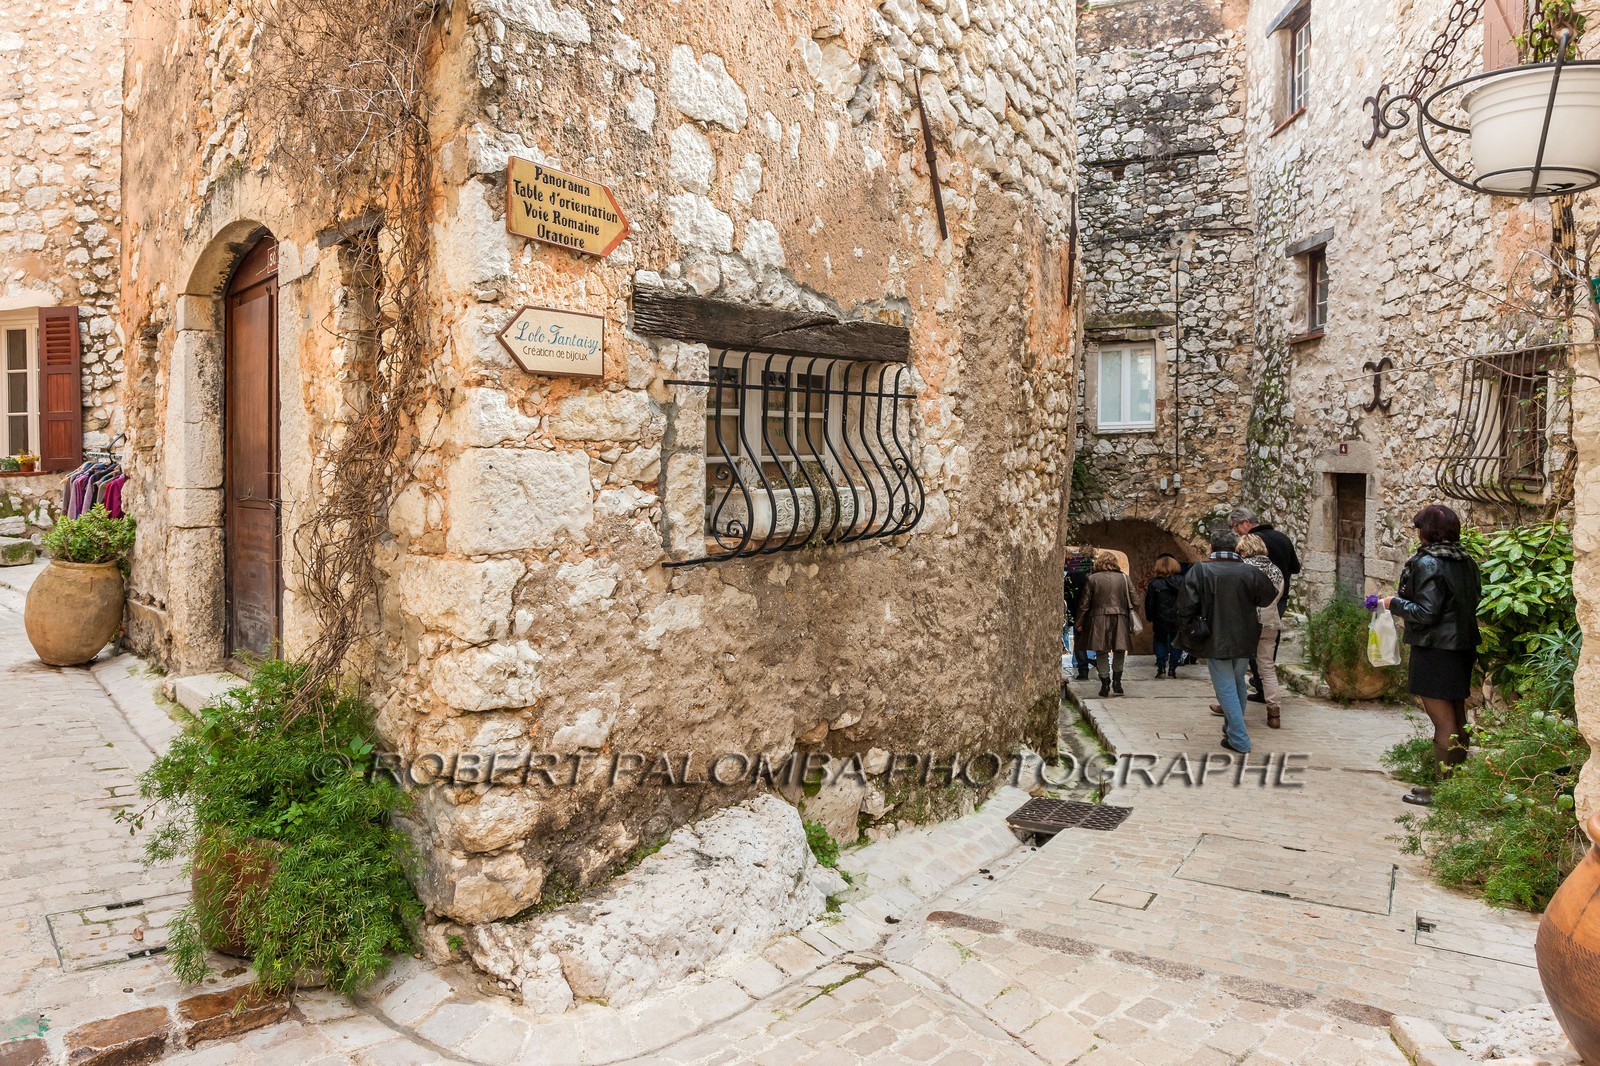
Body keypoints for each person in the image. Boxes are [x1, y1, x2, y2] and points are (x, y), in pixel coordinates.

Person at [1381, 504, 1482, 806]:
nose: (1417, 533)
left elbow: (1426, 612)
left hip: (1436, 648)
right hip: (1462, 646)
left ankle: (1443, 790)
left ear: (1427, 532)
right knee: (1457, 713)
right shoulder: (1465, 560)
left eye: (1419, 528)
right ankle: (1456, 786)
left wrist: (1392, 603)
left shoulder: (1428, 563)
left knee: (1443, 720)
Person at [1179, 530, 1279, 753]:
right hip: (1244, 635)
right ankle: (1231, 730)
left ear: (1212, 549)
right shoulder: (1249, 571)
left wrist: (1189, 628)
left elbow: (1186, 605)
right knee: (1237, 683)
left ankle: (1240, 738)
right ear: (1235, 549)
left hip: (1215, 636)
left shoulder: (1200, 571)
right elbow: (1267, 596)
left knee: (1225, 687)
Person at [1230, 507, 1302, 702]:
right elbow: (1295, 567)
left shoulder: (1252, 546)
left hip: (1255, 602)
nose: (1235, 531)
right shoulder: (1282, 538)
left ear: (1245, 523)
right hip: (1280, 597)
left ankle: (1257, 687)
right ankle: (1269, 694)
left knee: (1252, 644)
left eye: (1235, 526)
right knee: (1269, 644)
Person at [1236, 534, 1284, 728]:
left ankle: (1233, 708)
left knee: (1237, 667)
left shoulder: (1244, 569)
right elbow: (1277, 596)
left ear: (1246, 550)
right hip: (1270, 621)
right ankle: (1274, 712)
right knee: (1267, 667)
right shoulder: (1276, 570)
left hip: (1247, 623)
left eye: (1240, 550)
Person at [1077, 549, 1135, 698]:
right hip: (1120, 617)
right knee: (1119, 650)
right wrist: (1130, 615)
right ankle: (1117, 683)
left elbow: (1085, 604)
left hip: (1098, 619)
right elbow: (1135, 600)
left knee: (1101, 651)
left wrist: (1080, 622)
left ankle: (1105, 683)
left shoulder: (1092, 579)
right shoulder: (1124, 578)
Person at [1144, 555, 1184, 679]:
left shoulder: (1155, 583)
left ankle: (1161, 666)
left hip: (1160, 617)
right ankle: (1172, 667)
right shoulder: (1182, 581)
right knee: (1177, 642)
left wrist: (1149, 616)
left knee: (1160, 640)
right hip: (1178, 617)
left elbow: (1150, 602)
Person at [1063, 545, 1096, 681]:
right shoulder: (1095, 572)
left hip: (1076, 610)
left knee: (1079, 639)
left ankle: (1080, 666)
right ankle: (1093, 658)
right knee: (1096, 637)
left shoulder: (1073, 571)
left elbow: (1067, 591)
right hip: (1095, 611)